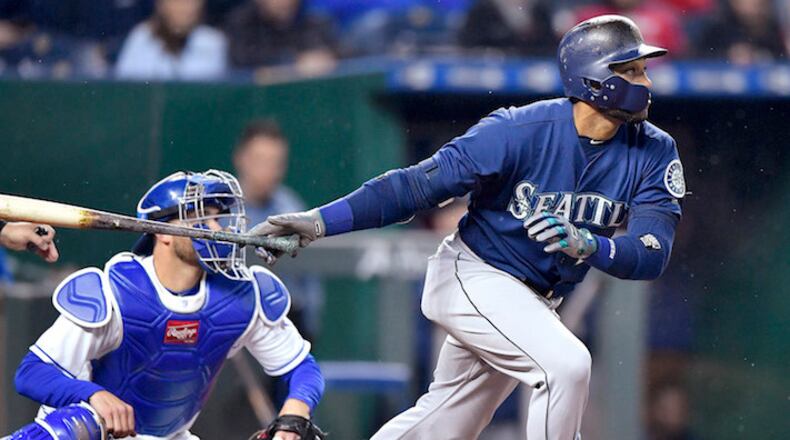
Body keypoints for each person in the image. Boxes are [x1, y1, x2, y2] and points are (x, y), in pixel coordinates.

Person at [253, 14, 685, 439]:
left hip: (534, 304)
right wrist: (321, 221)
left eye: (643, 70)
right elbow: (414, 188)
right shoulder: (518, 131)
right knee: (566, 366)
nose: (645, 82)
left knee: (442, 426)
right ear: (593, 78)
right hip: (474, 275)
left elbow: (651, 255)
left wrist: (591, 245)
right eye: (630, 70)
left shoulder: (654, 151)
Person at [9, 170, 325, 440]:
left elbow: (302, 368)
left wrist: (295, 410)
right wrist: (93, 395)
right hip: (98, 430)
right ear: (163, 234)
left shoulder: (241, 294)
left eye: (217, 218)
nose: (216, 230)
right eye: (201, 218)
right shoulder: (115, 292)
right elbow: (31, 374)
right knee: (78, 422)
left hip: (168, 435)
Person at [115, 0, 228, 80]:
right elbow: (125, 91)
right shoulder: (141, 37)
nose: (185, 8)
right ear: (160, 4)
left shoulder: (214, 42)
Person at [223, 0, 336, 78]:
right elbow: (242, 66)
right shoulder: (242, 23)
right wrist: (294, 66)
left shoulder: (313, 19)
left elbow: (343, 54)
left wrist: (326, 58)